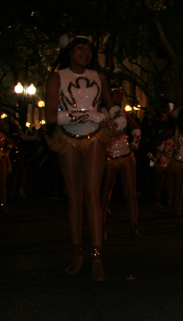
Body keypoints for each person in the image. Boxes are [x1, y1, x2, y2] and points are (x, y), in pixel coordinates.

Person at [45, 35, 126, 281]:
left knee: (93, 195)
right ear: (69, 51)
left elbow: (111, 105)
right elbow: (50, 116)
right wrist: (85, 116)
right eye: (80, 48)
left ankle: (97, 256)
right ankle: (77, 253)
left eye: (89, 49)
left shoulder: (98, 77)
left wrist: (118, 118)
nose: (85, 52)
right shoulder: (57, 77)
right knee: (74, 197)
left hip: (94, 139)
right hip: (67, 139)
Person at [100, 85, 142, 240]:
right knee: (105, 194)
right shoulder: (102, 113)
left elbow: (136, 128)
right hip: (109, 158)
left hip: (125, 156)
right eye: (117, 93)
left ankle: (133, 226)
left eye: (122, 94)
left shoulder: (122, 112)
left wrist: (134, 144)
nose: (120, 96)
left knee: (131, 193)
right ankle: (100, 227)